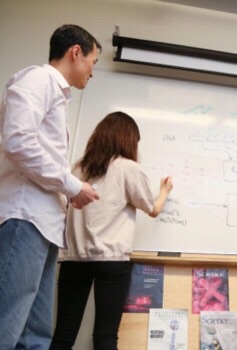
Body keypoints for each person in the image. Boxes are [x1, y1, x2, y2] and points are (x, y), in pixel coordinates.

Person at [0, 24, 101, 349]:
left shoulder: (57, 95)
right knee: (7, 320)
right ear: (76, 52)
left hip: (43, 224)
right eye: (93, 62)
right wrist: (72, 185)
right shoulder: (37, 80)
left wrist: (69, 190)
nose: (93, 72)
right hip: (24, 217)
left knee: (36, 333)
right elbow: (17, 141)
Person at [50, 111, 174, 350]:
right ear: (128, 140)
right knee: (106, 337)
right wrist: (165, 190)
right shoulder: (128, 168)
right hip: (112, 261)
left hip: (74, 259)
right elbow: (152, 209)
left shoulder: (78, 169)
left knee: (64, 334)